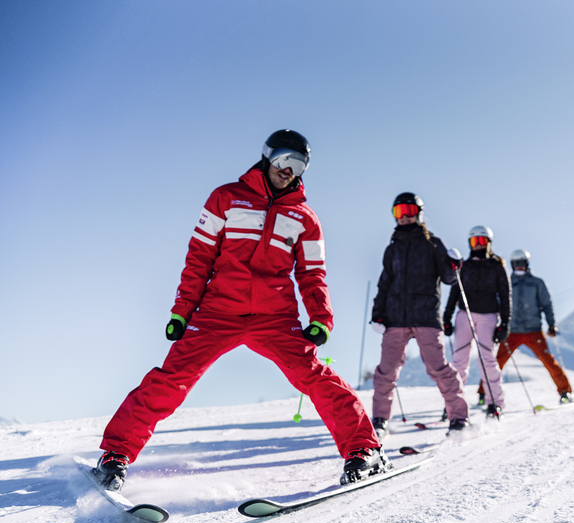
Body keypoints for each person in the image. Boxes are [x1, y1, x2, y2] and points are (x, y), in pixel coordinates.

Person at [96, 130, 383, 490]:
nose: (289, 169)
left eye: (299, 164)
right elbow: (199, 258)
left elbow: (312, 274)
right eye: (283, 160)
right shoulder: (227, 198)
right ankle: (115, 454)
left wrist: (321, 319)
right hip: (219, 311)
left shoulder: (304, 218)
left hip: (276, 317)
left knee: (314, 376)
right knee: (172, 378)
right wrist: (182, 311)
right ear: (267, 157)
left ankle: (364, 449)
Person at [370, 193, 470, 439]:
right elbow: (385, 283)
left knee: (438, 368)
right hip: (395, 317)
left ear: (419, 213)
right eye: (398, 212)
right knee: (386, 371)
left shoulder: (432, 244)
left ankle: (458, 418)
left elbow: (448, 278)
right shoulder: (391, 249)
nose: (404, 216)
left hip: (425, 315)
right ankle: (380, 421)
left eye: (409, 210)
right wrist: (377, 314)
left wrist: (454, 265)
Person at [443, 226, 511, 418]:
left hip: (488, 315)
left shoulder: (497, 265)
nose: (479, 245)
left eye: (482, 241)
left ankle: (495, 403)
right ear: (470, 244)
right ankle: (453, 404)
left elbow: (506, 295)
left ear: (489, 243)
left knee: (487, 359)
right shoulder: (465, 265)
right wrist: (447, 318)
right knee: (459, 361)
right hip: (465, 315)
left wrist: (505, 322)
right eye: (475, 242)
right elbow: (454, 291)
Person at [496, 249, 574, 403]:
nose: (519, 266)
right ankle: (484, 394)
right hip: (512, 331)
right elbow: (499, 304)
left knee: (548, 360)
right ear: (512, 265)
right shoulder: (506, 283)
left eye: (521, 263)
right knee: (497, 362)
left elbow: (547, 304)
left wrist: (552, 325)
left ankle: (565, 391)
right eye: (516, 263)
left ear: (527, 263)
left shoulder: (537, 283)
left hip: (534, 331)